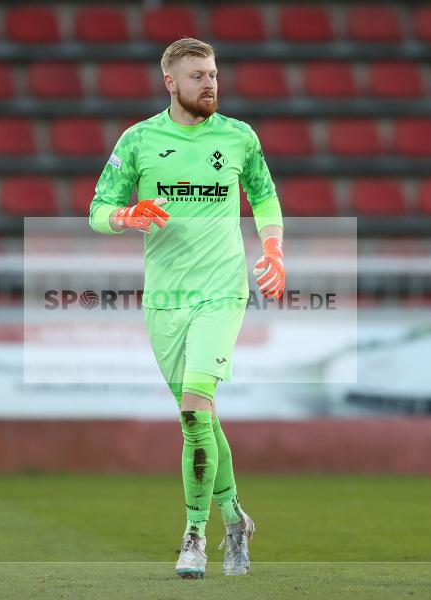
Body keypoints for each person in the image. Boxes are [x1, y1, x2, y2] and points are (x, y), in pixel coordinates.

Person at [87, 37, 285, 579]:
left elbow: (264, 197)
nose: (210, 83)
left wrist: (273, 249)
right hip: (165, 299)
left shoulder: (239, 137)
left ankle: (194, 536)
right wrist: (127, 216)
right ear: (170, 82)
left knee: (196, 408)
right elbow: (97, 211)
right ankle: (235, 519)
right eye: (197, 75)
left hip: (223, 290)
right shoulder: (140, 140)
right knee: (199, 420)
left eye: (214, 73)